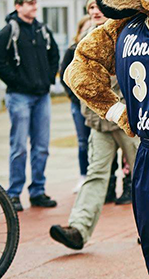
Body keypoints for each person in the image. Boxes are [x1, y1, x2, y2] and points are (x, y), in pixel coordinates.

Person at [49, 0, 139, 250]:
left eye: (99, 6)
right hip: (98, 121)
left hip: (127, 119)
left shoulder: (125, 31)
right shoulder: (84, 40)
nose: (95, 11)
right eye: (90, 7)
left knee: (145, 175)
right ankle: (78, 228)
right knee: (95, 174)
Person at [0, 0, 59, 212]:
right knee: (19, 147)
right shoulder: (8, 31)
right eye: (29, 3)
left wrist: (49, 79)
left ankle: (38, 191)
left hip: (42, 97)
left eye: (35, 2)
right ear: (18, 6)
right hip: (18, 97)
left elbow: (54, 55)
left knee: (41, 147)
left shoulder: (42, 30)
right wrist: (19, 82)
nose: (34, 6)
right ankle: (13, 194)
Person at [61, 14, 93, 192]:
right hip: (77, 104)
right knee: (83, 141)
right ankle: (83, 175)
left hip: (94, 105)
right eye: (84, 28)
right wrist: (74, 97)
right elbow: (64, 75)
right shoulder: (72, 51)